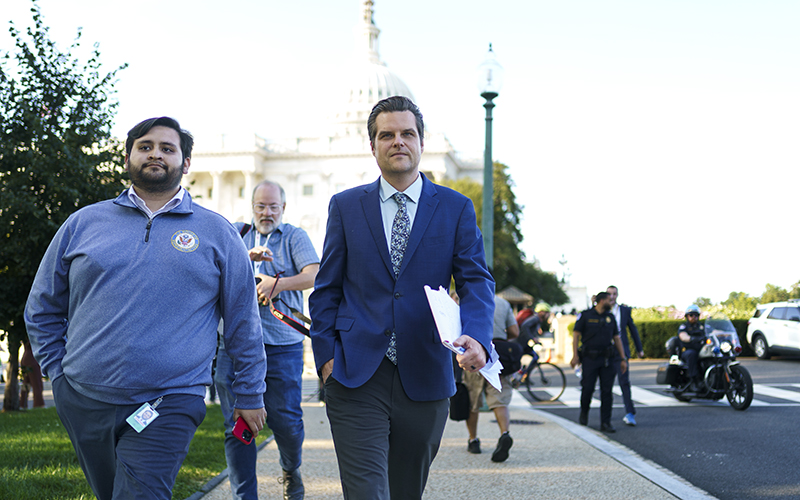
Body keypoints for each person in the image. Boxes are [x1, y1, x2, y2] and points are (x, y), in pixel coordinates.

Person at [24, 117, 267, 500]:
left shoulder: (217, 232)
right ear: (128, 157)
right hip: (84, 399)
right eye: (146, 146)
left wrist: (250, 394)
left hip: (170, 398)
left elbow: (243, 322)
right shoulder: (83, 223)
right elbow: (42, 306)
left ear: (186, 163)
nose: (156, 153)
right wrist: (59, 373)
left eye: (168, 148)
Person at [309, 96, 495, 499]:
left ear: (421, 142)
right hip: (355, 373)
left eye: (407, 133)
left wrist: (478, 337)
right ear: (372, 146)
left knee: (405, 492)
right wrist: (326, 360)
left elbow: (476, 282)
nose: (398, 142)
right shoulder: (345, 206)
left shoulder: (455, 208)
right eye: (387, 135)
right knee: (367, 492)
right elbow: (326, 290)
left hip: (425, 372)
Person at [214, 180, 319, 500]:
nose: (267, 212)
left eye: (273, 206)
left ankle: (291, 468)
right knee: (238, 424)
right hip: (233, 345)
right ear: (252, 207)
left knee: (285, 421)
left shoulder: (295, 236)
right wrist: (245, 258)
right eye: (261, 206)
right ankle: (244, 495)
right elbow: (214, 269)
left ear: (283, 209)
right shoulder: (235, 232)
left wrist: (277, 283)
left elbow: (315, 274)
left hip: (282, 344)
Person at [464, 294, 518, 462]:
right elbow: (515, 331)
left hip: (473, 352)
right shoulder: (503, 303)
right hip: (497, 354)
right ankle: (504, 434)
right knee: (499, 399)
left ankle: (473, 440)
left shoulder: (467, 298)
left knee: (473, 400)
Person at [570, 292, 627, 433]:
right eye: (609, 299)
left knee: (607, 392)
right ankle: (584, 415)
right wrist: (575, 355)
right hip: (589, 358)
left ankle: (605, 423)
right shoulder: (586, 315)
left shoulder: (610, 317)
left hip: (607, 359)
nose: (611, 301)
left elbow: (616, 338)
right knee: (587, 388)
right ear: (601, 301)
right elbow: (576, 335)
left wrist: (623, 358)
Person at [606, 285, 644, 427]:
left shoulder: (624, 310)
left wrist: (639, 349)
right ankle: (606, 415)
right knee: (606, 384)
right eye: (610, 294)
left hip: (621, 352)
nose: (612, 296)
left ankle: (630, 413)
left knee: (624, 382)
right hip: (607, 351)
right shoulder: (602, 310)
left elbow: (632, 330)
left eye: (615, 294)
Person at [678, 304, 706, 392]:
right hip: (687, 351)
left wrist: (726, 333)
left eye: (696, 315)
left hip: (701, 350)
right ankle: (695, 380)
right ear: (687, 316)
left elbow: (713, 331)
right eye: (691, 315)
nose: (694, 317)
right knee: (692, 354)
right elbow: (683, 336)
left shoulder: (701, 326)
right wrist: (692, 338)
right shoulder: (684, 327)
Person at [20, 341, 45, 409]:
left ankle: (22, 403)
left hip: (26, 357)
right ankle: (38, 404)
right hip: (32, 358)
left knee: (26, 383)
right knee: (36, 383)